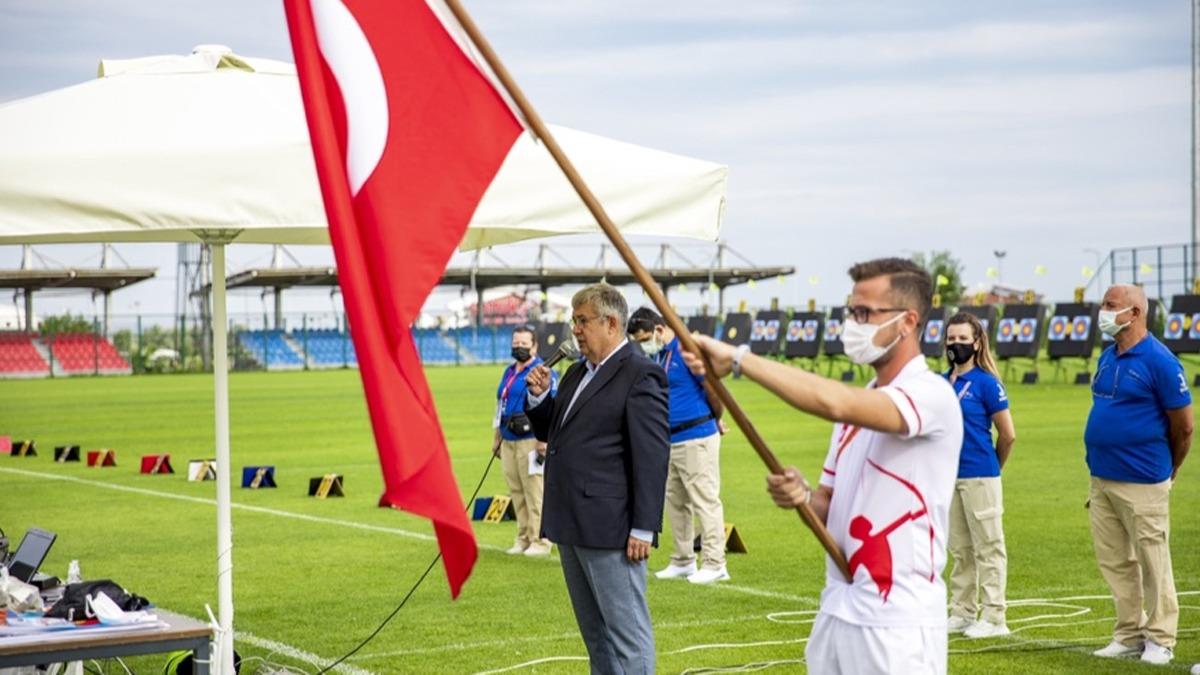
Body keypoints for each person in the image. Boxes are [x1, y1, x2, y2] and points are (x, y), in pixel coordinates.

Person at [682, 258, 962, 675]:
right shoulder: (857, 408)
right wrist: (802, 496)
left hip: (897, 624)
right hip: (839, 608)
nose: (854, 323)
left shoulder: (931, 394)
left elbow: (835, 401)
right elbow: (828, 504)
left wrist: (740, 359)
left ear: (907, 321)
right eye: (852, 312)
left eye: (865, 313)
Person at [525, 283, 670, 674]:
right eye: (573, 320)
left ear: (610, 323)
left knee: (627, 635)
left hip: (611, 527)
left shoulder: (641, 374)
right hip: (571, 521)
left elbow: (652, 456)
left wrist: (643, 527)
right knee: (595, 635)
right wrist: (540, 400)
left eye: (582, 320)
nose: (575, 329)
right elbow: (556, 434)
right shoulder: (575, 373)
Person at [1085, 284, 1191, 665]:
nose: (1104, 312)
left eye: (1111, 306)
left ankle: (1160, 638)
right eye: (1104, 304)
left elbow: (1184, 427)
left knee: (1153, 561)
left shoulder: (1161, 361)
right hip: (1102, 477)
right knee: (1115, 561)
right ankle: (1128, 633)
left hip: (1144, 480)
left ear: (1134, 313)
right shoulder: (1108, 357)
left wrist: (1169, 470)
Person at [627, 307, 731, 585]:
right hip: (669, 438)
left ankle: (715, 562)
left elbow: (712, 387)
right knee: (676, 501)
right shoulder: (661, 354)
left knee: (704, 499)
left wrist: (716, 418)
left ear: (659, 329)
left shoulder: (686, 351)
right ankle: (683, 559)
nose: (643, 345)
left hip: (696, 434)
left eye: (645, 338)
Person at [942, 312, 1016, 639]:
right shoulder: (942, 381)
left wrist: (993, 469)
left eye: (962, 339)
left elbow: (1008, 434)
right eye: (951, 338)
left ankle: (995, 616)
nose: (955, 345)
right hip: (948, 477)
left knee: (988, 547)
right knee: (960, 549)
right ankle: (962, 610)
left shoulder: (987, 383)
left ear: (976, 342)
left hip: (980, 475)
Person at [492, 324, 556, 557]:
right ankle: (523, 536)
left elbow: (551, 403)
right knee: (516, 489)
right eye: (515, 343)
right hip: (508, 437)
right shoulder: (509, 371)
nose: (519, 347)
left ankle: (541, 539)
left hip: (531, 438)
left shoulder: (542, 370)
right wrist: (497, 435)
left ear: (534, 346)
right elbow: (501, 403)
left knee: (534, 489)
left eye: (524, 344)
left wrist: (544, 439)